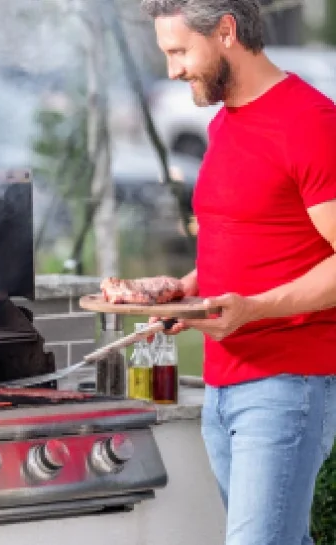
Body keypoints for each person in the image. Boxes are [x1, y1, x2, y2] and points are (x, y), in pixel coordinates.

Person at [139, 1, 336, 544]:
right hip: (223, 386)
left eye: (179, 51)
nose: (173, 70)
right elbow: (250, 236)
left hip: (285, 386)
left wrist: (256, 310)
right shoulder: (225, 122)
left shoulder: (309, 121)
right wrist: (188, 289)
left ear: (225, 31)